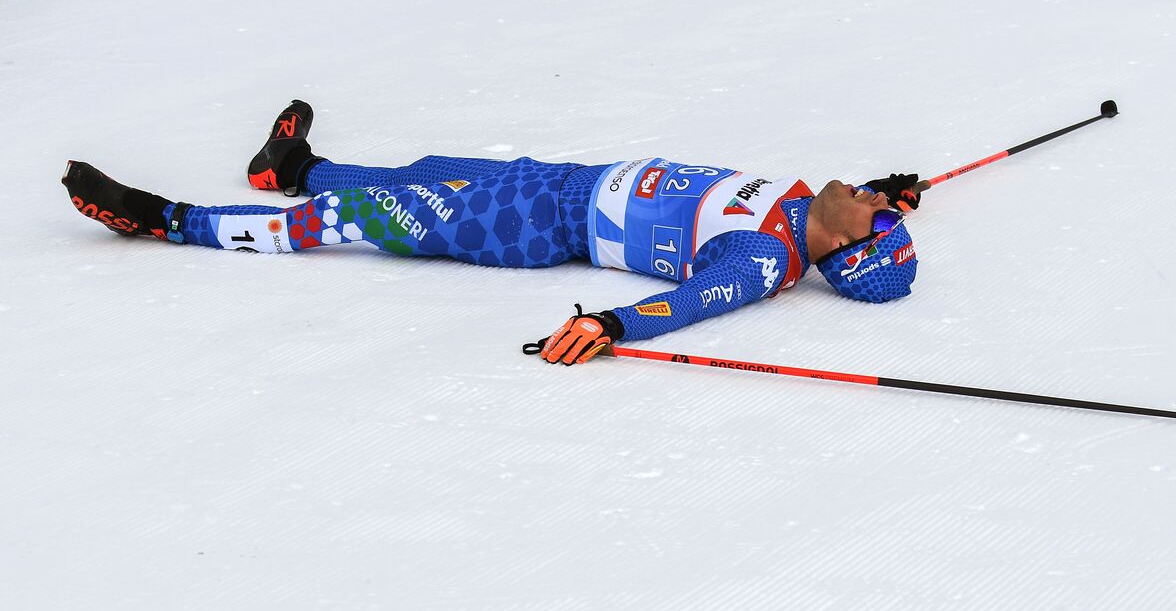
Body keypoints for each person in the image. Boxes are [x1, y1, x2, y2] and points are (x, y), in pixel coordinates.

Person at [61, 101, 923, 364]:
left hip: (532, 225)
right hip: (561, 182)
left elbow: (694, 302)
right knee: (421, 174)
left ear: (846, 250)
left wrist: (613, 326)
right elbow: (868, 205)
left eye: (877, 213)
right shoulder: (809, 207)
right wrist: (898, 194)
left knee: (354, 221)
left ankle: (164, 220)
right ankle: (289, 170)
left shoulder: (765, 258)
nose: (873, 197)